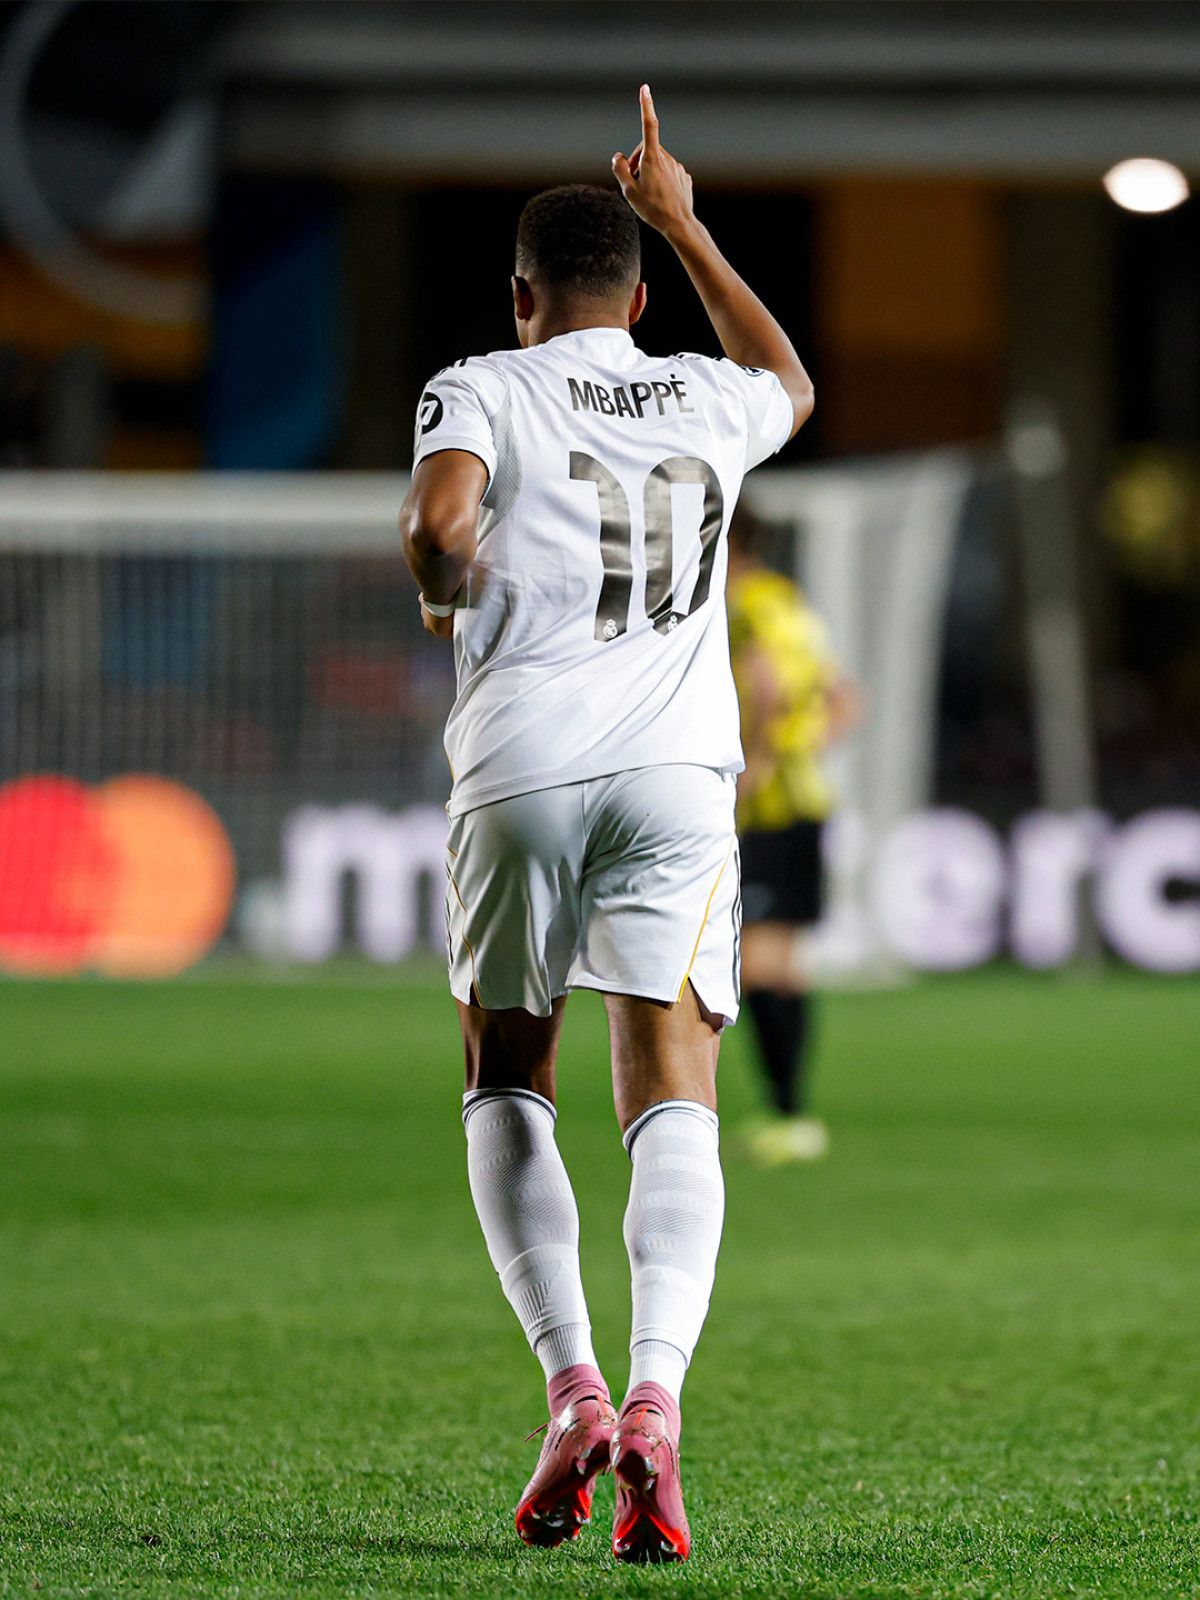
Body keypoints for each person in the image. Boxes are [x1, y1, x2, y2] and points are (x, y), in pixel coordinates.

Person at [398, 85, 813, 1564]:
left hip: (521, 765)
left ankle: (571, 1384)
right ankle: (655, 1399)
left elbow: (439, 529)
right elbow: (791, 381)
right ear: (638, 298)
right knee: (674, 1089)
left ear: (521, 298)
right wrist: (685, 222)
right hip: (678, 776)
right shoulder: (704, 393)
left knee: (509, 1071)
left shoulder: (481, 385)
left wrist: (446, 595)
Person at [726, 508, 863, 1165]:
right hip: (806, 800)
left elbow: (769, 690)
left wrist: (754, 768)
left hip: (768, 808)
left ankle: (788, 1112)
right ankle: (790, 1114)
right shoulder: (790, 603)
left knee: (755, 962)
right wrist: (802, 754)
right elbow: (845, 700)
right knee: (781, 962)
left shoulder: (742, 604)